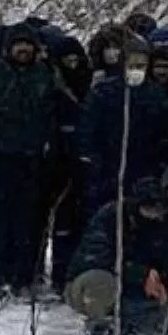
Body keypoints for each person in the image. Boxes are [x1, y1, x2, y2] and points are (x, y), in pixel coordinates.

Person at [0, 24, 56, 305]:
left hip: (31, 158)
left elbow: (49, 113)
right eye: (18, 45)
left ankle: (22, 278)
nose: (24, 50)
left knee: (28, 222)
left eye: (28, 44)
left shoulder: (44, 75)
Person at [65, 176, 168, 335]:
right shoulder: (109, 217)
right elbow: (96, 260)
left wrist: (161, 280)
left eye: (158, 210)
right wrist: (140, 274)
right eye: (149, 209)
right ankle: (99, 321)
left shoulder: (162, 225)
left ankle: (152, 322)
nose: (154, 215)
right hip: (95, 284)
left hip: (135, 291)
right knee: (100, 282)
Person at [77, 36, 168, 218]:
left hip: (142, 170)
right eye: (133, 64)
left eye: (142, 65)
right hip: (107, 169)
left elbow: (163, 133)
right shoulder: (103, 92)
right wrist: (92, 160)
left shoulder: (155, 95)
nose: (137, 70)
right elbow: (88, 128)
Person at [47, 34, 94, 294]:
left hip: (85, 161)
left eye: (76, 58)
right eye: (67, 59)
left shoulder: (91, 86)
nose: (72, 63)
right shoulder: (53, 87)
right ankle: (59, 274)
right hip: (58, 161)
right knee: (62, 223)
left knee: (82, 221)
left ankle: (76, 275)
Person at [88, 23, 129, 88]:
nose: (114, 52)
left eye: (116, 47)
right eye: (108, 48)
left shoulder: (129, 70)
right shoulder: (97, 77)